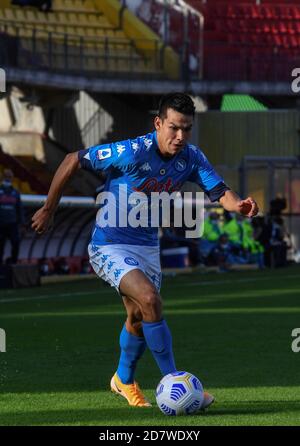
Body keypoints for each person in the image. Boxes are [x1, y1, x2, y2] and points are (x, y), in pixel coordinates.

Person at [31, 93, 259, 409]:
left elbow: (220, 192)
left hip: (147, 248)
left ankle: (123, 379)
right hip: (109, 245)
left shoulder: (191, 157)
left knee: (138, 317)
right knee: (151, 299)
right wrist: (48, 208)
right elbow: (73, 158)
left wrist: (240, 205)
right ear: (158, 123)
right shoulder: (131, 151)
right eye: (174, 128)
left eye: (187, 129)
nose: (180, 137)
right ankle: (176, 382)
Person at [0, 168, 24, 265]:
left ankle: (13, 262)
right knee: (0, 246)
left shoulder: (15, 192)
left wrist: (22, 224)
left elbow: (20, 209)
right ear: (3, 177)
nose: (8, 178)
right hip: (1, 224)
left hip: (12, 224)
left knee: (16, 243)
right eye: (6, 176)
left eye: (10, 177)